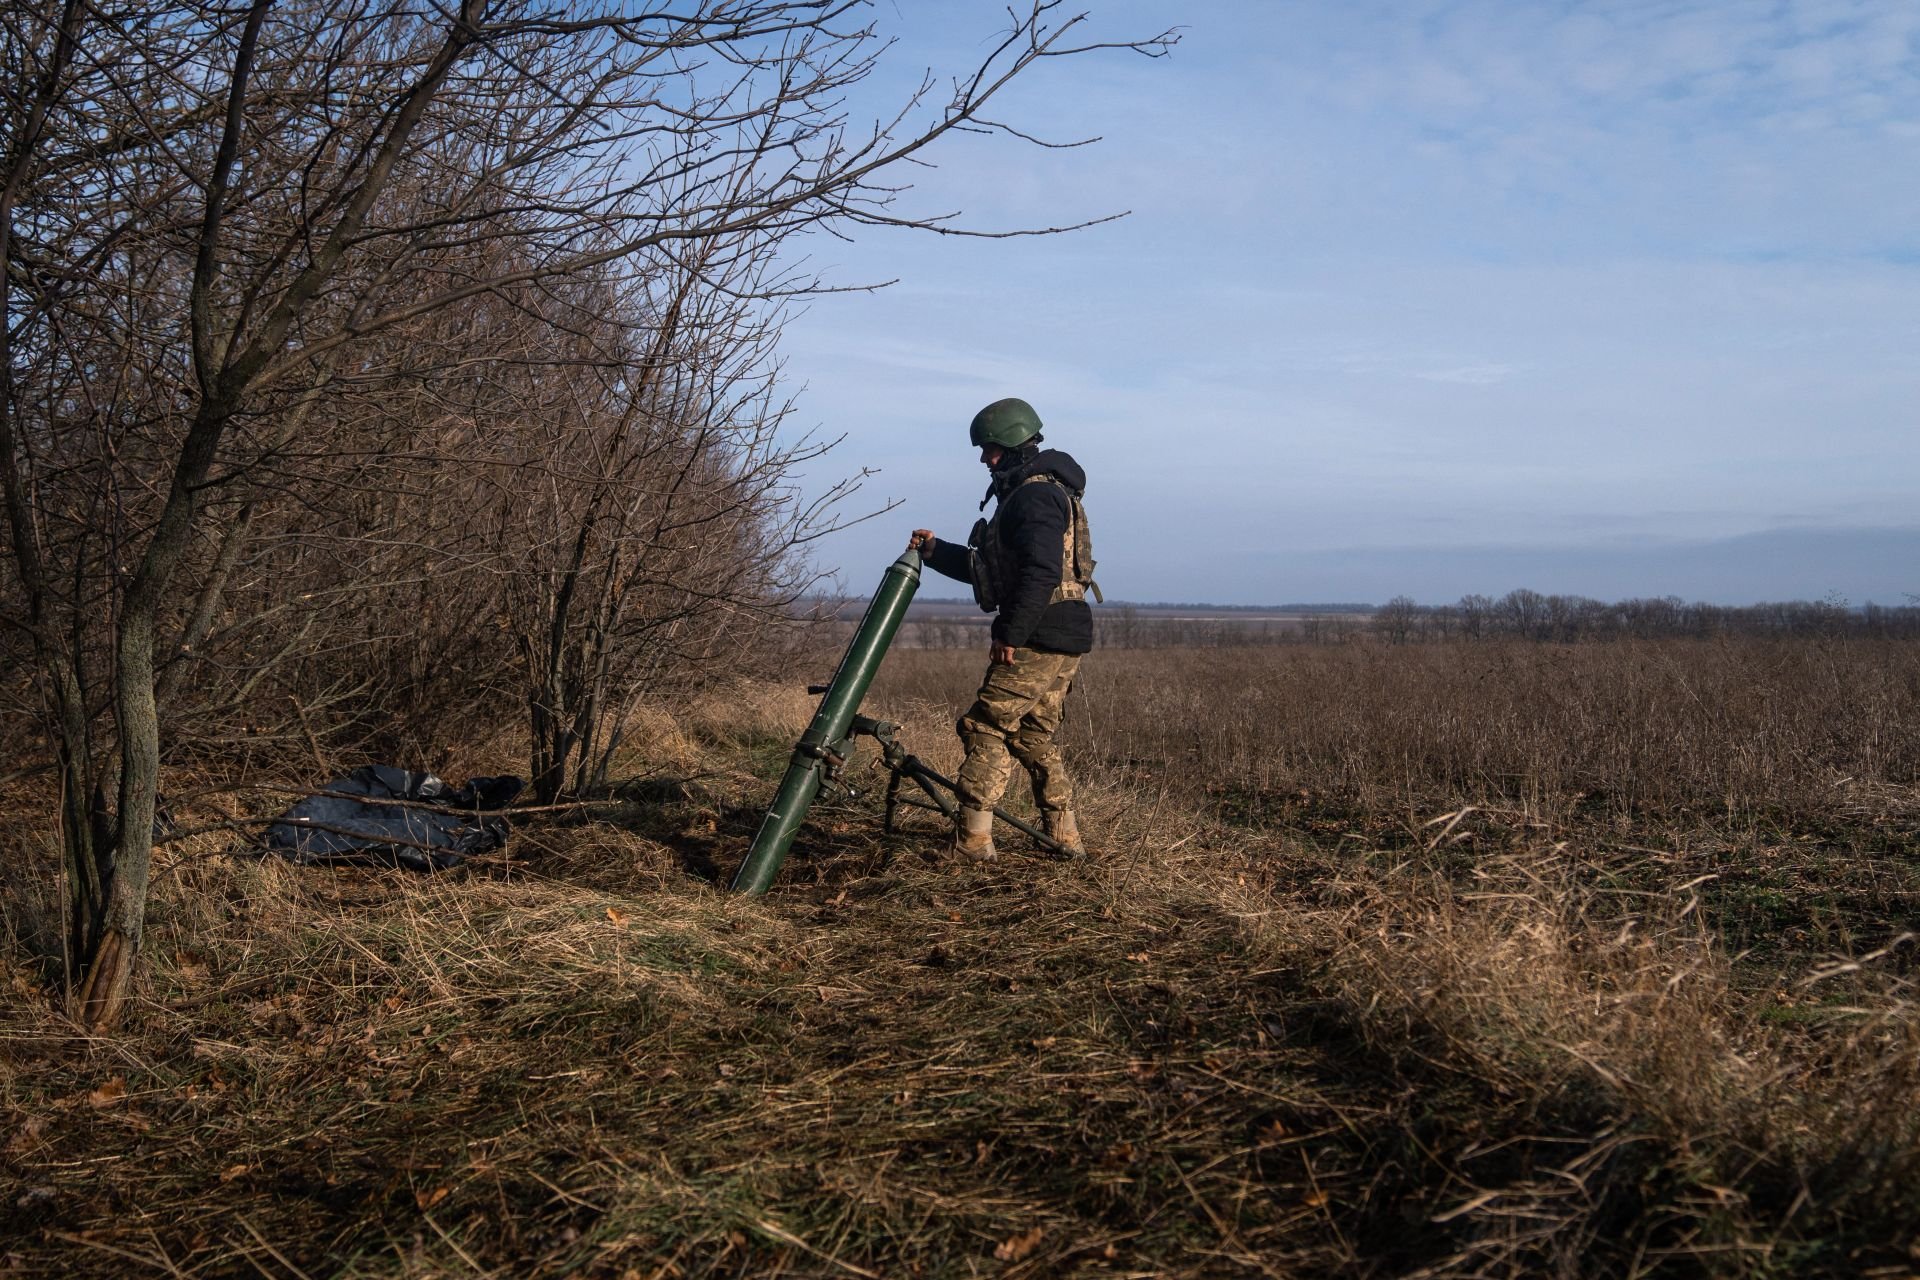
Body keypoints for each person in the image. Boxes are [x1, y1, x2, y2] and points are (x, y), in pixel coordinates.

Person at [907, 396, 1098, 860]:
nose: (983, 458)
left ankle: (972, 841)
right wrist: (937, 552)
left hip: (1038, 632)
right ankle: (1064, 837)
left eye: (990, 448)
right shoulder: (1042, 491)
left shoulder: (1034, 496)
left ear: (1012, 444)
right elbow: (993, 569)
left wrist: (1009, 633)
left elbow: (1039, 573)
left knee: (985, 727)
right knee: (1032, 735)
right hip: (1063, 630)